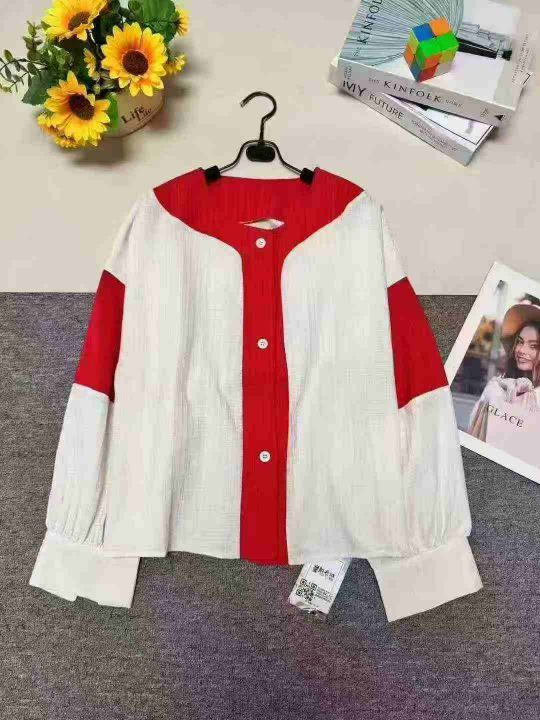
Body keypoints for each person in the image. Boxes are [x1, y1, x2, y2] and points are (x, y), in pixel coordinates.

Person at [468, 303, 540, 440]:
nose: (521, 350)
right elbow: (474, 428)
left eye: (533, 346)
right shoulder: (497, 387)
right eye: (519, 342)